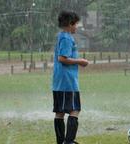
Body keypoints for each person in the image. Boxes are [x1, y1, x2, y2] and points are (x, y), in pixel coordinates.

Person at [52, 11, 88, 144]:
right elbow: (62, 58)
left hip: (59, 82)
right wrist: (80, 61)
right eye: (76, 24)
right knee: (75, 109)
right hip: (68, 82)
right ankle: (69, 141)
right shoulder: (67, 38)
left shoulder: (61, 36)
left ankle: (61, 141)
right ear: (70, 24)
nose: (77, 27)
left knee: (60, 112)